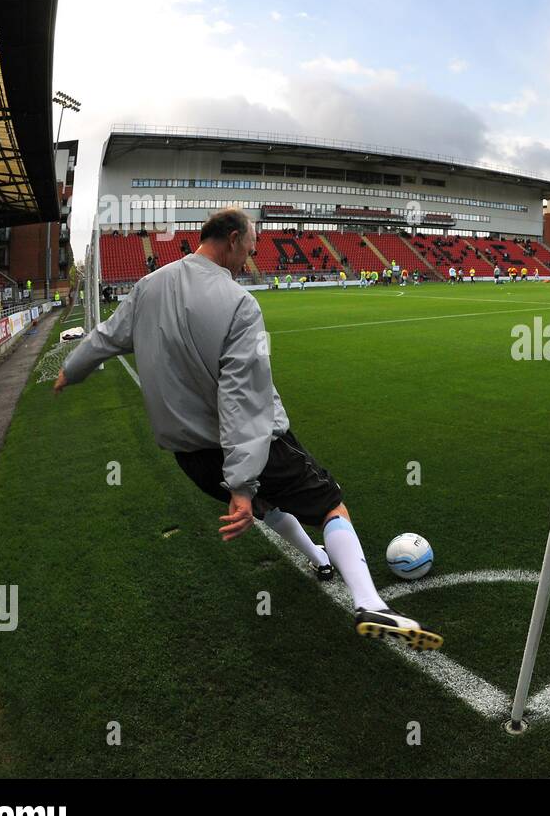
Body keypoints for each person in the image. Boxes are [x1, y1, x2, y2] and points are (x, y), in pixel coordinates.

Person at [53, 208, 441, 649]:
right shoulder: (239, 303)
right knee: (330, 504)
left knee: (268, 507)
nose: (250, 258)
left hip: (192, 460)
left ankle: (319, 560)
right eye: (249, 249)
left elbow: (104, 338)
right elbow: (243, 399)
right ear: (233, 240)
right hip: (252, 450)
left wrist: (72, 369)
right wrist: (241, 482)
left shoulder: (148, 286)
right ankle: (370, 602)